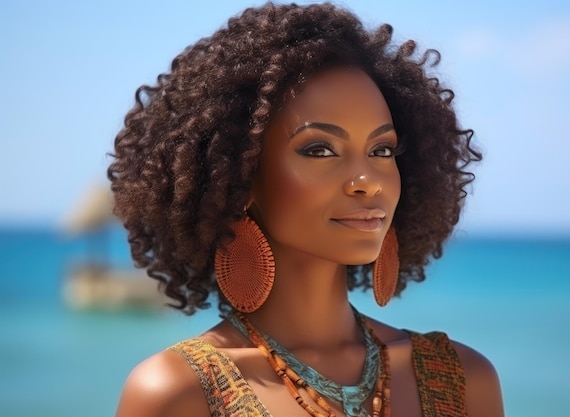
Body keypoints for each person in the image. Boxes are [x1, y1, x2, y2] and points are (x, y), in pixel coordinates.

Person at [108, 2, 504, 416]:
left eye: (381, 149)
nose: (367, 180)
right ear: (241, 176)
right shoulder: (176, 393)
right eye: (320, 149)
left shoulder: (464, 379)